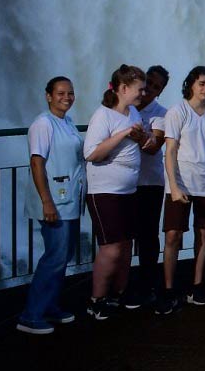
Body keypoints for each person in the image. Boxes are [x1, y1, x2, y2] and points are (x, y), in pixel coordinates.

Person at [17, 77, 86, 334]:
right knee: (55, 256)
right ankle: (31, 315)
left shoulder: (66, 121)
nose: (67, 97)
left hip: (68, 199)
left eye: (70, 93)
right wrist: (46, 201)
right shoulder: (43, 124)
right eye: (60, 93)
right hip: (54, 201)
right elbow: (37, 162)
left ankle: (49, 306)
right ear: (48, 96)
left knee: (63, 256)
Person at [82, 65, 149, 320]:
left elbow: (140, 144)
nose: (143, 94)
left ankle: (118, 294)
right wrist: (124, 134)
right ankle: (96, 300)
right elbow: (91, 154)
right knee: (110, 248)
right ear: (123, 88)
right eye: (140, 89)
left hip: (128, 190)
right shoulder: (103, 115)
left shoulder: (133, 112)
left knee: (126, 245)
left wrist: (144, 138)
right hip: (105, 191)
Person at [161, 66, 205, 309]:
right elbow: (170, 150)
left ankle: (197, 286)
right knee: (173, 234)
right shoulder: (177, 111)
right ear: (191, 84)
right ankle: (168, 288)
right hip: (181, 181)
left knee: (204, 233)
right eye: (201, 83)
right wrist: (174, 186)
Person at [133, 65, 169, 311]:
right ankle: (121, 286)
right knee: (125, 236)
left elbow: (154, 146)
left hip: (150, 182)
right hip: (124, 183)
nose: (150, 89)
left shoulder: (161, 113)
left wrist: (136, 136)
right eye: (149, 83)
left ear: (160, 91)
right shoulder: (125, 106)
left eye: (157, 87)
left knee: (147, 236)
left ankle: (147, 285)